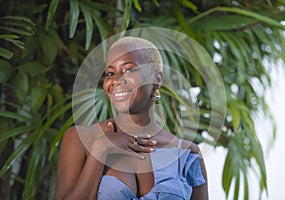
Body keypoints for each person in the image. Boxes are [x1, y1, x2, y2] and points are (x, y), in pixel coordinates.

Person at [55, 36, 208, 200]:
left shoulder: (187, 153)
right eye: (110, 73)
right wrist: (101, 148)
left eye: (129, 70)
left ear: (156, 79)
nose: (116, 80)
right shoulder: (82, 138)